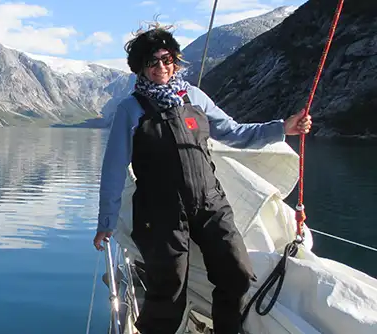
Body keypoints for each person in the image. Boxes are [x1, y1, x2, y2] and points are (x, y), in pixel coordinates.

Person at [92, 25, 312, 334]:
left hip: (210, 203)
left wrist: (282, 129)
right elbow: (113, 169)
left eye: (167, 59)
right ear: (140, 67)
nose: (161, 68)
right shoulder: (131, 110)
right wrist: (106, 222)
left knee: (236, 273)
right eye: (151, 62)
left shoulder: (194, 97)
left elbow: (234, 133)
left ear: (176, 60)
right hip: (160, 213)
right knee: (169, 291)